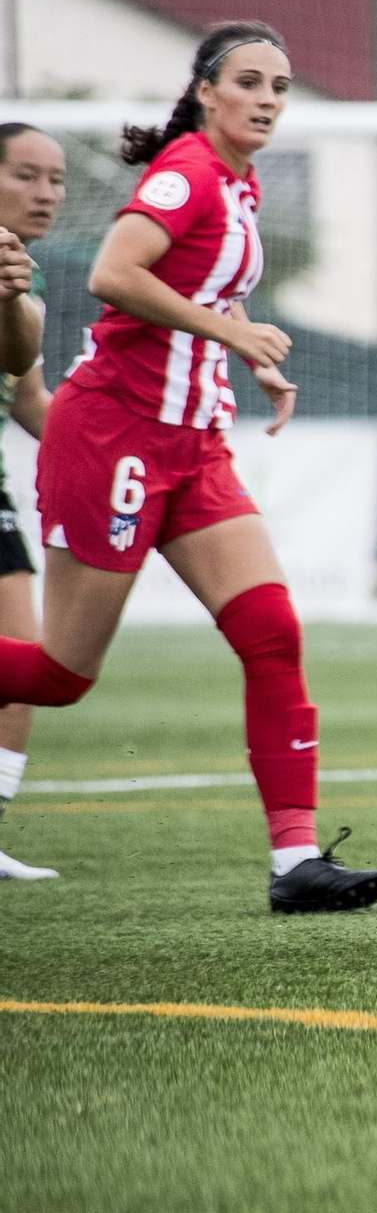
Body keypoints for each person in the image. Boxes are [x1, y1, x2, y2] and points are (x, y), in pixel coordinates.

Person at [0, 23, 377, 912]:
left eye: (281, 86)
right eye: (248, 81)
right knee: (63, 673)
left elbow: (207, 290)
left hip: (194, 444)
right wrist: (233, 332)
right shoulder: (185, 170)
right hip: (116, 435)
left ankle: (296, 862)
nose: (267, 98)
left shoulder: (239, 183)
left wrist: (249, 354)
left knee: (273, 632)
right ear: (206, 92)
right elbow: (112, 272)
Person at [0, 123, 60, 880]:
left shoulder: (24, 269)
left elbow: (23, 382)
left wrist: (114, 457)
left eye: (56, 178)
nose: (44, 191)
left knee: (28, 661)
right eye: (25, 174)